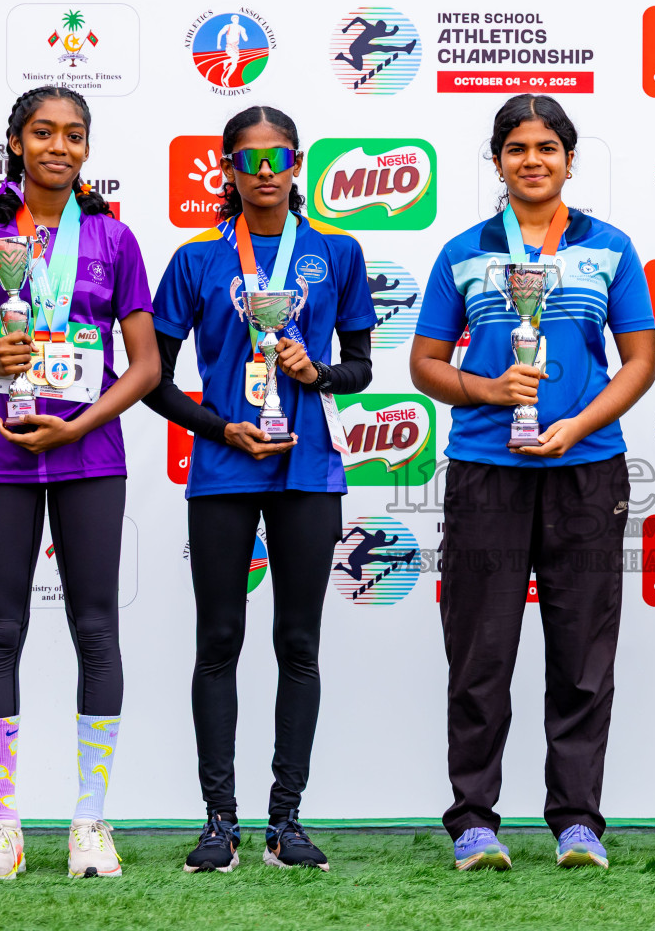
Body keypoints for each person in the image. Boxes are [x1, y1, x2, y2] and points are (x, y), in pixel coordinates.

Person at [410, 95, 655, 871]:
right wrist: (488, 391)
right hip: (488, 469)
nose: (533, 160)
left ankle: (577, 821)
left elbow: (642, 360)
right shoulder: (464, 252)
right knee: (480, 649)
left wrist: (578, 424)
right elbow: (423, 364)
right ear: (497, 162)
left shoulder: (610, 248)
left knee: (583, 653)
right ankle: (475, 820)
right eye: (517, 148)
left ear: (569, 159)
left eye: (547, 147)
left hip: (586, 470)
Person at [0, 85, 159, 880]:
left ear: (87, 149)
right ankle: (3, 826)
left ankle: (89, 825)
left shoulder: (114, 239)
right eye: (42, 133)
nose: (58, 147)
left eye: (73, 135)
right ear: (17, 142)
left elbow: (147, 365)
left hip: (89, 452)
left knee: (96, 630)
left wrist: (82, 422)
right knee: (1, 631)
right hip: (3, 450)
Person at [144, 105, 376, 874]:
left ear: (299, 163)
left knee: (298, 644)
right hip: (223, 470)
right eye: (249, 160)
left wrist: (317, 376)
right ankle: (220, 822)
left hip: (309, 470)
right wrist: (219, 430)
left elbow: (361, 368)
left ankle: (288, 822)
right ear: (228, 169)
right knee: (219, 642)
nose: (266, 173)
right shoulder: (195, 261)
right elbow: (154, 380)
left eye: (279, 158)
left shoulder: (337, 252)